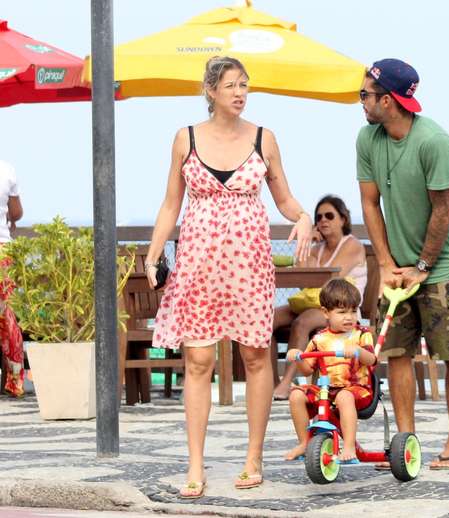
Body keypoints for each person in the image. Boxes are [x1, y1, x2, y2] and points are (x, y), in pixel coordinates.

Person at [144, 56, 314, 498]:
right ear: (211, 91)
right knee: (198, 361)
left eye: (245, 85)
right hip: (198, 264)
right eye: (231, 85)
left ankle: (253, 457)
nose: (240, 92)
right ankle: (195, 465)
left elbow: (285, 198)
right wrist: (154, 252)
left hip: (248, 265)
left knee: (255, 358)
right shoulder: (185, 139)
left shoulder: (264, 138)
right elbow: (170, 204)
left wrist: (304, 217)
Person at [357, 58, 449, 470]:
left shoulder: (433, 141)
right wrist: (386, 263)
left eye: (365, 95)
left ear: (388, 100)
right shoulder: (367, 139)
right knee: (397, 351)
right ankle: (407, 444)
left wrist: (423, 264)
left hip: (442, 266)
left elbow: (444, 208)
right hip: (397, 266)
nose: (361, 102)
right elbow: (370, 203)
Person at [272, 195, 367, 400]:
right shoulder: (317, 248)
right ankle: (272, 381)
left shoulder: (352, 245)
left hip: (341, 309)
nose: (323, 220)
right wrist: (309, 246)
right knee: (268, 319)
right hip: (315, 303)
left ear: (343, 219)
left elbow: (330, 283)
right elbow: (303, 281)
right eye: (319, 217)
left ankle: (287, 382)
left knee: (302, 322)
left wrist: (311, 261)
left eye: (329, 216)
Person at [284, 278, 376, 462]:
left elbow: (372, 359)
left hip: (358, 390)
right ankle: (304, 442)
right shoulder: (319, 339)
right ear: (326, 313)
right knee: (296, 395)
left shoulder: (361, 334)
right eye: (342, 312)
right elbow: (307, 370)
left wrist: (358, 352)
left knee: (344, 396)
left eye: (353, 311)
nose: (349, 317)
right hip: (327, 391)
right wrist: (297, 356)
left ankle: (349, 446)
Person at [0, 159, 24, 398]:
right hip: (3, 251)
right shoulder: (6, 169)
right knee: (6, 314)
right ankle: (15, 380)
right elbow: (16, 212)